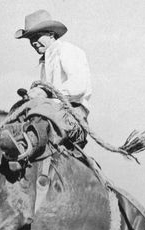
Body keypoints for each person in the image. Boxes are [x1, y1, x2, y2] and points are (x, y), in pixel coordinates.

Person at [15, 9, 92, 143]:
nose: (33, 42)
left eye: (36, 36)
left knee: (38, 127)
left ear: (50, 34)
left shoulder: (67, 50)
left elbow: (79, 86)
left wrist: (45, 93)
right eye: (30, 39)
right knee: (16, 112)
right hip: (50, 111)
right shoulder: (45, 61)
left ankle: (22, 148)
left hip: (72, 114)